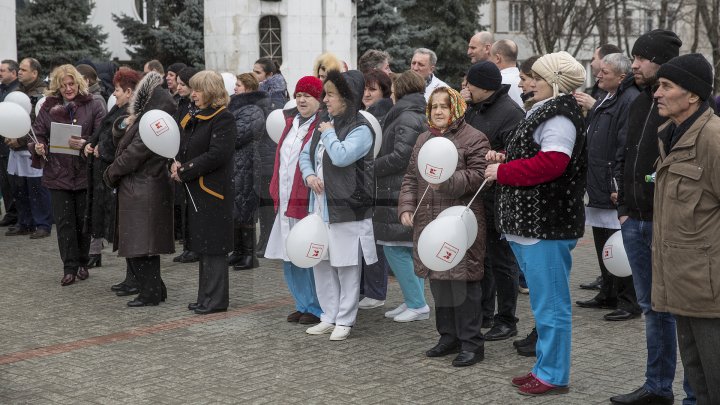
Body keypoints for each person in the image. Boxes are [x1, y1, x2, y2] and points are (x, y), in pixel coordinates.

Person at [485, 51, 586, 395]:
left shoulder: (559, 116)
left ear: (555, 83)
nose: (527, 83)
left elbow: (552, 164)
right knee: (544, 307)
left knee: (552, 307)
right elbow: (536, 156)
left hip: (547, 225)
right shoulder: (545, 111)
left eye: (536, 78)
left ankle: (554, 375)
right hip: (532, 226)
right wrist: (505, 159)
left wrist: (503, 171)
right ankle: (544, 367)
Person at [610, 29, 694, 405]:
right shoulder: (639, 101)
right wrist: (625, 210)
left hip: (668, 226)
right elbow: (625, 153)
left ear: (660, 61)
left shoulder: (679, 105)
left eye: (641, 58)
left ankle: (696, 392)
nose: (634, 64)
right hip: (635, 221)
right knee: (651, 309)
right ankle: (657, 388)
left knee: (684, 313)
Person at [398, 86, 489, 366]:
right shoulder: (424, 138)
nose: (438, 111)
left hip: (459, 223)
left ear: (457, 108)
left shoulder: (474, 138)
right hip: (428, 222)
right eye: (434, 106)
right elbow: (411, 177)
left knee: (463, 283)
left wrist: (447, 181)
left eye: (444, 106)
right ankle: (448, 337)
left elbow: (477, 176)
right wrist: (406, 207)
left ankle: (472, 343)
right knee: (439, 284)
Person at [652, 53, 720, 405]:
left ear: (692, 95)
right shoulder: (671, 135)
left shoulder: (712, 138)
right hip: (682, 284)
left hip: (710, 291)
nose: (657, 93)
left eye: (666, 86)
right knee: (698, 380)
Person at [298, 70, 378, 341]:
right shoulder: (324, 121)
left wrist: (330, 134)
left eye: (331, 94)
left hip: (348, 207)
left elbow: (342, 156)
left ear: (347, 97)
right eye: (325, 93)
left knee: (346, 266)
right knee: (321, 262)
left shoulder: (360, 128)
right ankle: (328, 316)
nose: (325, 99)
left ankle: (345, 319)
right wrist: (309, 175)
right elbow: (305, 154)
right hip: (321, 207)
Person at [575, 53, 642, 321]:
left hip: (611, 182)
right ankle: (608, 292)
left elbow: (624, 144)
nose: (598, 75)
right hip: (599, 182)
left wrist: (617, 181)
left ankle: (629, 301)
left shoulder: (629, 100)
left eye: (605, 71)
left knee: (621, 243)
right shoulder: (606, 97)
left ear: (622, 77)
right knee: (603, 239)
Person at [461, 61, 525, 341]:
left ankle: (507, 318)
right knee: (481, 258)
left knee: (501, 262)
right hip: (477, 195)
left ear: (484, 87)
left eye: (469, 85)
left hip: (500, 197)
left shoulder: (510, 113)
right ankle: (485, 312)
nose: (465, 89)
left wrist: (498, 157)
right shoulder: (476, 107)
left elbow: (517, 152)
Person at [103, 71, 175, 307]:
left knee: (142, 247)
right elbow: (123, 143)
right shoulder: (145, 117)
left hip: (144, 187)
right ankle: (155, 289)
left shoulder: (154, 121)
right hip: (140, 187)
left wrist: (111, 173)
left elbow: (135, 154)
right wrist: (124, 124)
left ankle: (151, 292)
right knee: (142, 245)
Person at [30, 64, 106, 286]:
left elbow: (102, 136)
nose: (68, 88)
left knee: (83, 221)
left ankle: (83, 262)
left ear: (79, 83)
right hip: (57, 173)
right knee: (64, 223)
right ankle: (69, 267)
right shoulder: (48, 107)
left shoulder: (92, 105)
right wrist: (38, 146)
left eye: (72, 84)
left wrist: (86, 143)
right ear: (57, 87)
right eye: (63, 85)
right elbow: (38, 133)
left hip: (84, 172)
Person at [171, 70, 236, 315]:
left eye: (197, 89)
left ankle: (216, 300)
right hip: (196, 190)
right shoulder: (196, 115)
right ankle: (205, 297)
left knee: (214, 247)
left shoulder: (223, 118)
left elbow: (217, 154)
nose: (193, 94)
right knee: (202, 244)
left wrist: (185, 169)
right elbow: (184, 145)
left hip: (213, 192)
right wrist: (176, 162)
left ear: (210, 91)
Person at [265, 76, 324, 325]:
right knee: (289, 254)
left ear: (319, 100)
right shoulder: (291, 124)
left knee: (306, 254)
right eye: (299, 94)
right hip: (286, 200)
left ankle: (317, 306)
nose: (301, 99)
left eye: (307, 95)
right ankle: (302, 303)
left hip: (307, 201)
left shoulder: (321, 126)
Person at [373, 70, 429, 322]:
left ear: (400, 91)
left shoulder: (406, 116)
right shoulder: (412, 113)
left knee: (395, 248)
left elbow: (402, 156)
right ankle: (413, 301)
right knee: (404, 248)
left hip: (397, 188)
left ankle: (417, 303)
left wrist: (371, 166)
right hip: (400, 188)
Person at [84, 69, 143, 271]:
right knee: (105, 219)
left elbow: (122, 142)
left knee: (123, 226)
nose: (114, 93)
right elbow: (102, 130)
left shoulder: (131, 112)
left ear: (128, 92)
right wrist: (90, 144)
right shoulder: (117, 108)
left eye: (117, 89)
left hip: (114, 173)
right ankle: (129, 274)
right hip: (103, 171)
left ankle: (134, 275)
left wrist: (104, 150)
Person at [357, 69, 393, 310]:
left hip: (378, 186)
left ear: (384, 91)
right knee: (364, 239)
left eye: (373, 89)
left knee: (375, 240)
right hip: (363, 185)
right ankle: (365, 289)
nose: (367, 94)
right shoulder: (364, 115)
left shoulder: (384, 116)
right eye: (365, 89)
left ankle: (376, 291)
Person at [5, 57, 52, 240]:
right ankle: (24, 222)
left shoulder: (42, 95)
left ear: (35, 72)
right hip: (15, 148)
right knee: (19, 187)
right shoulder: (16, 91)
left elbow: (36, 123)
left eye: (24, 70)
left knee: (37, 189)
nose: (20, 72)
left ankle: (42, 223)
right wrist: (9, 136)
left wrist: (20, 140)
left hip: (32, 147)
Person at [227, 73, 271, 270]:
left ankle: (249, 255)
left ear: (249, 88)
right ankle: (238, 252)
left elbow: (238, 135)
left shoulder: (253, 109)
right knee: (236, 208)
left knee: (246, 210)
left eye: (239, 85)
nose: (235, 88)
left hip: (247, 163)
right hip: (237, 163)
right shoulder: (237, 107)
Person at [252, 59, 284, 257]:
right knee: (263, 202)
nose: (254, 75)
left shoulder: (275, 96)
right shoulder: (262, 94)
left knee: (267, 203)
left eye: (258, 72)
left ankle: (268, 241)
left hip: (270, 154)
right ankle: (263, 239)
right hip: (262, 153)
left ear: (269, 75)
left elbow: (271, 123)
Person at [172, 66, 200, 264]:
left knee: (193, 206)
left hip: (193, 161)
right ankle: (188, 246)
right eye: (179, 83)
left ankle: (195, 247)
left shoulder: (196, 106)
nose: (179, 87)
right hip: (180, 158)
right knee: (185, 205)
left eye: (183, 84)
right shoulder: (181, 104)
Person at [573, 44, 623, 117]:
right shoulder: (600, 88)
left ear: (605, 60)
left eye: (593, 59)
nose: (591, 64)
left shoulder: (622, 92)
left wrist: (595, 106)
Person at [0, 59, 21, 228]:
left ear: (13, 73)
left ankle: (17, 213)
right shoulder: (3, 89)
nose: (0, 73)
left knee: (13, 180)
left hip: (11, 142)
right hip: (3, 142)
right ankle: (11, 211)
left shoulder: (17, 91)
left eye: (3, 70)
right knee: (5, 181)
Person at [489, 39, 523, 107]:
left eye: (490, 56)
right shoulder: (525, 80)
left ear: (498, 58)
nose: (489, 60)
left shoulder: (496, 82)